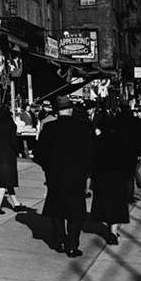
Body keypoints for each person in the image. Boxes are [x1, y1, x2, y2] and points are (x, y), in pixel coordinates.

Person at [33, 95, 93, 258]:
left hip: (55, 175)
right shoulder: (82, 128)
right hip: (76, 176)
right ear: (71, 109)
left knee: (56, 210)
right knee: (75, 212)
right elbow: (90, 153)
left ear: (57, 111)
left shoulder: (49, 128)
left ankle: (59, 240)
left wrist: (48, 168)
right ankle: (72, 245)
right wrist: (86, 172)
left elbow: (39, 154)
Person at [89, 112, 137, 244]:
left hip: (102, 177)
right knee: (117, 205)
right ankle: (113, 232)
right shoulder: (123, 141)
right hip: (119, 178)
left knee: (104, 204)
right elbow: (131, 160)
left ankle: (109, 227)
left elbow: (92, 160)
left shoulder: (98, 141)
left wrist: (93, 176)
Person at [0, 102, 27, 214]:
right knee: (5, 181)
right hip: (7, 154)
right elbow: (13, 141)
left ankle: (16, 203)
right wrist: (17, 150)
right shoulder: (11, 125)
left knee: (6, 180)